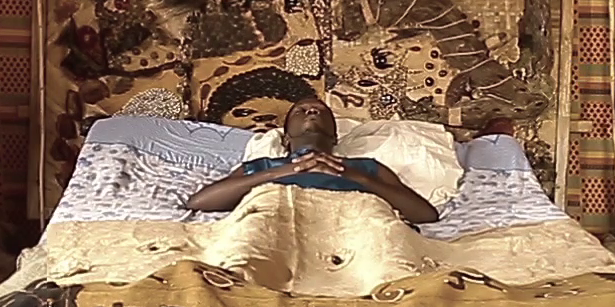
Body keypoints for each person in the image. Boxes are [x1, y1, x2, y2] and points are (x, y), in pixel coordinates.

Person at [186, 98, 441, 224]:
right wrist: (284, 171)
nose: (311, 111)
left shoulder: (365, 168)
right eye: (301, 111)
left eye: (320, 111)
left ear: (335, 136)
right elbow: (199, 202)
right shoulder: (262, 167)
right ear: (286, 138)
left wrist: (352, 176)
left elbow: (425, 215)